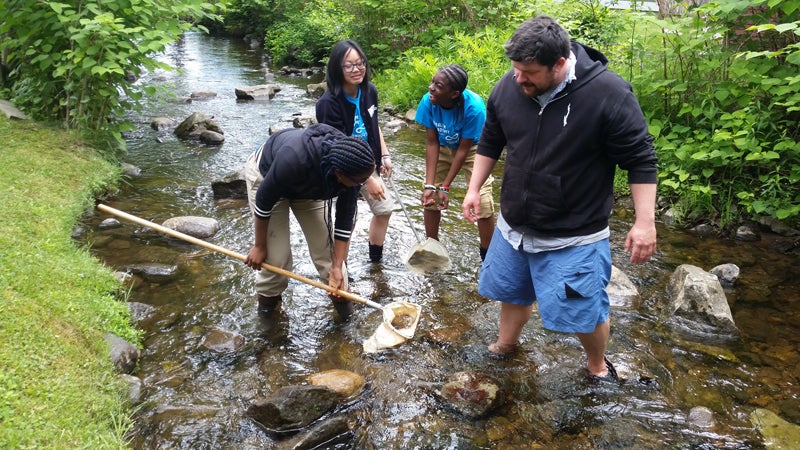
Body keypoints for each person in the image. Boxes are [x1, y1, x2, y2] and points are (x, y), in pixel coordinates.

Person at [461, 16, 658, 379]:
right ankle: (506, 344)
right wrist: (474, 188)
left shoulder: (609, 94)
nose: (518, 78)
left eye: (529, 72)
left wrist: (645, 222)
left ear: (560, 64)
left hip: (574, 234)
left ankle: (597, 366)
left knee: (585, 311)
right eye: (515, 69)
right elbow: (491, 138)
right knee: (511, 291)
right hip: (513, 227)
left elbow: (641, 159)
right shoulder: (511, 85)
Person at [243, 123, 376, 319]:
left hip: (309, 186)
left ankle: (348, 322)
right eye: (360, 181)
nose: (363, 184)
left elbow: (344, 220)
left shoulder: (355, 169)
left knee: (329, 259)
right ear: (339, 174)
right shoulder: (293, 159)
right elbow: (264, 202)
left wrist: (338, 266)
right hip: (266, 177)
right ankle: (267, 325)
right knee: (277, 261)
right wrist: (259, 245)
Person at [316, 40, 394, 264]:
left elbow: (374, 124)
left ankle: (375, 262)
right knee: (347, 218)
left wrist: (384, 155)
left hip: (368, 162)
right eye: (348, 65)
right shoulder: (327, 104)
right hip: (344, 170)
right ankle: (341, 266)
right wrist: (367, 179)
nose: (356, 69)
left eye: (360, 63)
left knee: (384, 209)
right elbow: (337, 146)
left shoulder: (369, 91)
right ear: (336, 69)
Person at [414, 64, 495, 261]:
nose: (431, 88)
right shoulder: (428, 101)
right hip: (442, 145)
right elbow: (432, 143)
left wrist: (447, 187)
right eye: (432, 82)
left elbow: (464, 150)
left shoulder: (474, 108)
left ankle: (488, 256)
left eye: (438, 86)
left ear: (454, 93)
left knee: (482, 201)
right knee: (430, 198)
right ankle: (432, 250)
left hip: (473, 149)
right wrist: (431, 185)